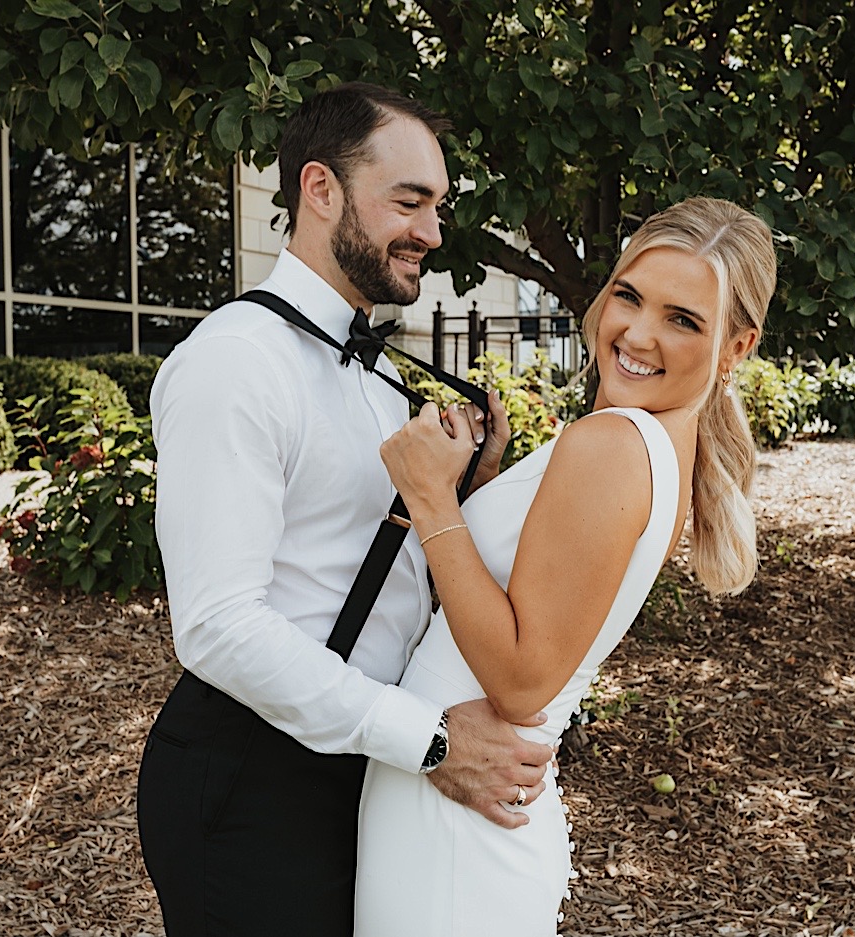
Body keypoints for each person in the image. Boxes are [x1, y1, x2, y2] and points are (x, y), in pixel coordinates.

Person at [135, 82, 554, 937]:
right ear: (319, 190)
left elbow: (362, 576)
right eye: (409, 202)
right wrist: (430, 740)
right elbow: (217, 626)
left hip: (354, 761)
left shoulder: (373, 369)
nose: (433, 234)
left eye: (437, 207)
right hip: (252, 778)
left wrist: (461, 495)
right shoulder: (235, 362)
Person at [355, 196, 778, 936]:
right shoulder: (659, 444)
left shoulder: (612, 442)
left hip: (457, 822)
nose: (638, 334)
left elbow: (521, 680)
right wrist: (484, 487)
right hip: (465, 811)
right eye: (629, 295)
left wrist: (431, 501)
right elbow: (537, 594)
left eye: (684, 320)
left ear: (737, 346)